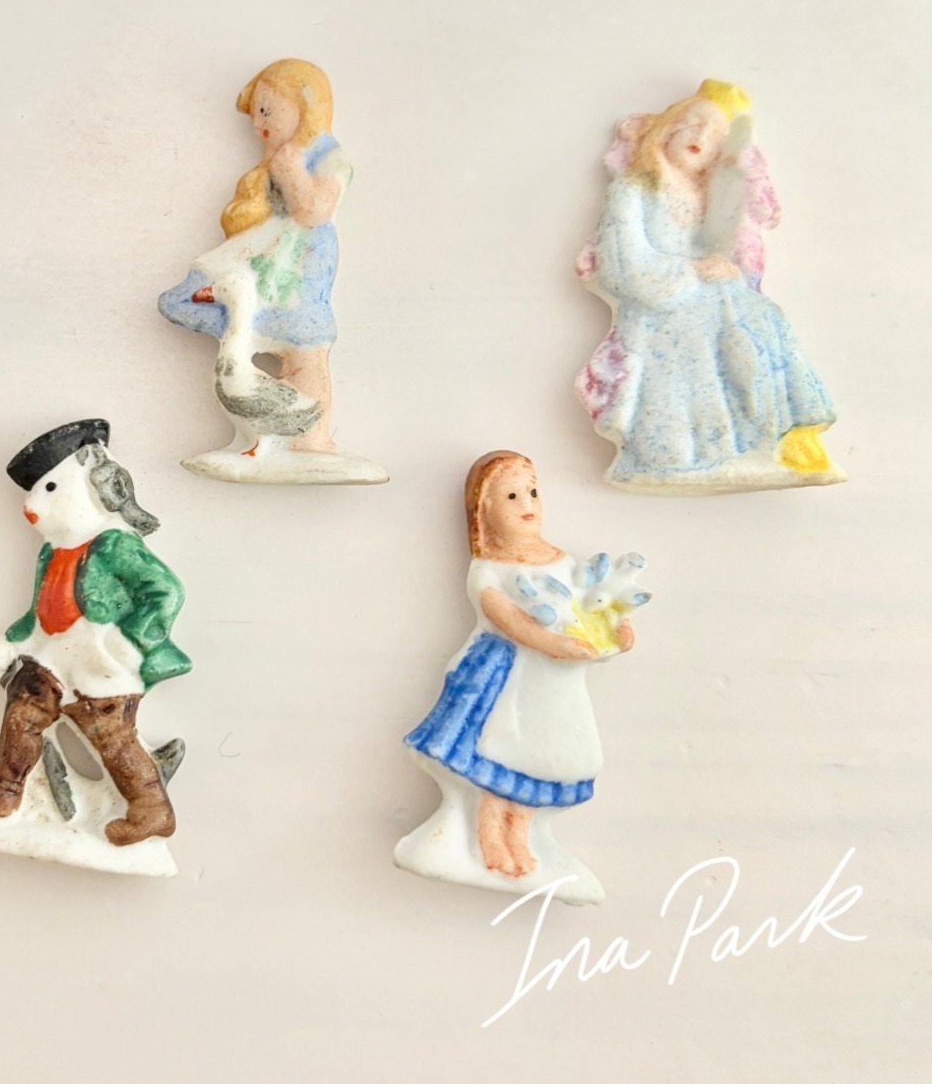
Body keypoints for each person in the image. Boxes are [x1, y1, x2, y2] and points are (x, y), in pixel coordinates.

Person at [576, 80, 842, 491]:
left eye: (716, 134)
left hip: (706, 292)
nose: (702, 135)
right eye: (693, 122)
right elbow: (621, 264)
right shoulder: (633, 190)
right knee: (702, 333)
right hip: (659, 302)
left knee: (766, 317)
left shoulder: (702, 193)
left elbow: (719, 249)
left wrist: (724, 267)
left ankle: (774, 437)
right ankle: (684, 451)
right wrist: (691, 271)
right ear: (666, 129)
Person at [0, 420, 191, 847]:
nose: (31, 507)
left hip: (100, 666)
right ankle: (0, 793)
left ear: (94, 488)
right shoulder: (51, 552)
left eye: (50, 489)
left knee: (113, 740)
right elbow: (41, 610)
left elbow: (166, 591)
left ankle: (152, 810)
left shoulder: (115, 545)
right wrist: (13, 642)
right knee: (22, 716)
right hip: (53, 660)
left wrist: (131, 639)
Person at [400, 452, 645, 890]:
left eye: (532, 491)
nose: (527, 503)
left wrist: (619, 628)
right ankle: (489, 840)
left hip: (554, 690)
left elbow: (597, 601)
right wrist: (554, 645)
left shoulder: (566, 562)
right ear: (485, 509)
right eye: (512, 496)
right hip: (505, 681)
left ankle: (521, 838)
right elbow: (509, 620)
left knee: (538, 758)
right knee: (502, 756)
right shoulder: (488, 571)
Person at [158, 59, 383, 482]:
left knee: (306, 346)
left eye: (266, 110)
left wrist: (289, 168)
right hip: (271, 259)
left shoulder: (326, 155)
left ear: (305, 104)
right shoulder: (280, 159)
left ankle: (310, 440)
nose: (259, 124)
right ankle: (265, 430)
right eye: (255, 116)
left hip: (302, 265)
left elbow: (315, 209)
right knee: (252, 326)